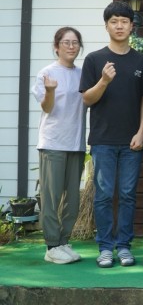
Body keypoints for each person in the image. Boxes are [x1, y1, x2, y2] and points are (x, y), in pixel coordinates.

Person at [79, 1, 143, 268]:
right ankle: (105, 247)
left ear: (132, 26)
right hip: (103, 140)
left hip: (132, 140)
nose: (119, 26)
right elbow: (87, 99)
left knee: (129, 194)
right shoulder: (94, 59)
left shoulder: (140, 60)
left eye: (124, 21)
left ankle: (124, 246)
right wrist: (104, 81)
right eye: (114, 21)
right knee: (104, 195)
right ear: (106, 26)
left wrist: (142, 131)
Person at [32, 27, 87, 264]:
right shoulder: (46, 73)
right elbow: (46, 107)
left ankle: (63, 241)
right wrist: (51, 90)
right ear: (57, 47)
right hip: (53, 143)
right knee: (52, 198)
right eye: (66, 42)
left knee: (72, 200)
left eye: (75, 42)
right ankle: (51, 245)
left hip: (76, 143)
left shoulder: (82, 74)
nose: (71, 46)